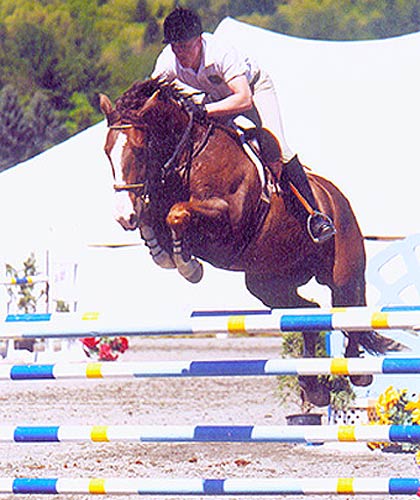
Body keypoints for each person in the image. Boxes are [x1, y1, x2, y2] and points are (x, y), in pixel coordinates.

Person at [152, 7, 336, 243]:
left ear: (199, 40)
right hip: (216, 97)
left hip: (253, 90)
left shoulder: (220, 53)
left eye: (184, 46)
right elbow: (152, 94)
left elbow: (243, 98)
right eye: (175, 46)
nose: (179, 53)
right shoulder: (168, 60)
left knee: (277, 144)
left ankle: (315, 215)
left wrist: (205, 110)